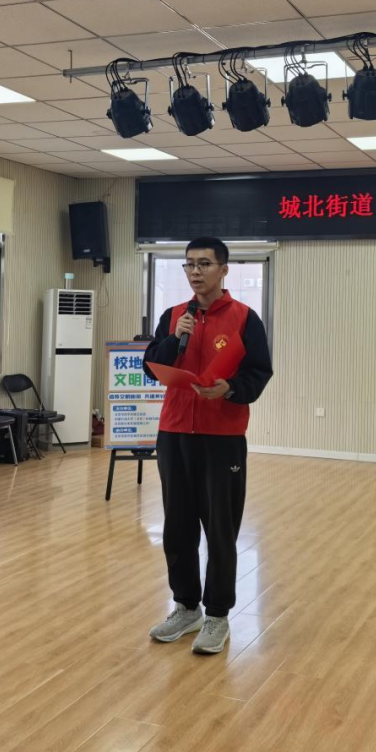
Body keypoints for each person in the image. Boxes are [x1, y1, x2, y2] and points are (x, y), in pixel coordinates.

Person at [144, 237, 273, 654]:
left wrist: (229, 389)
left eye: (204, 263)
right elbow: (151, 367)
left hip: (222, 438)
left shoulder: (244, 318)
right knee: (178, 527)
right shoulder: (173, 316)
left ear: (223, 269)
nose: (195, 272)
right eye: (189, 264)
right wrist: (172, 339)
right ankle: (186, 607)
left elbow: (259, 373)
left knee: (220, 530)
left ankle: (217, 614)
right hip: (174, 432)